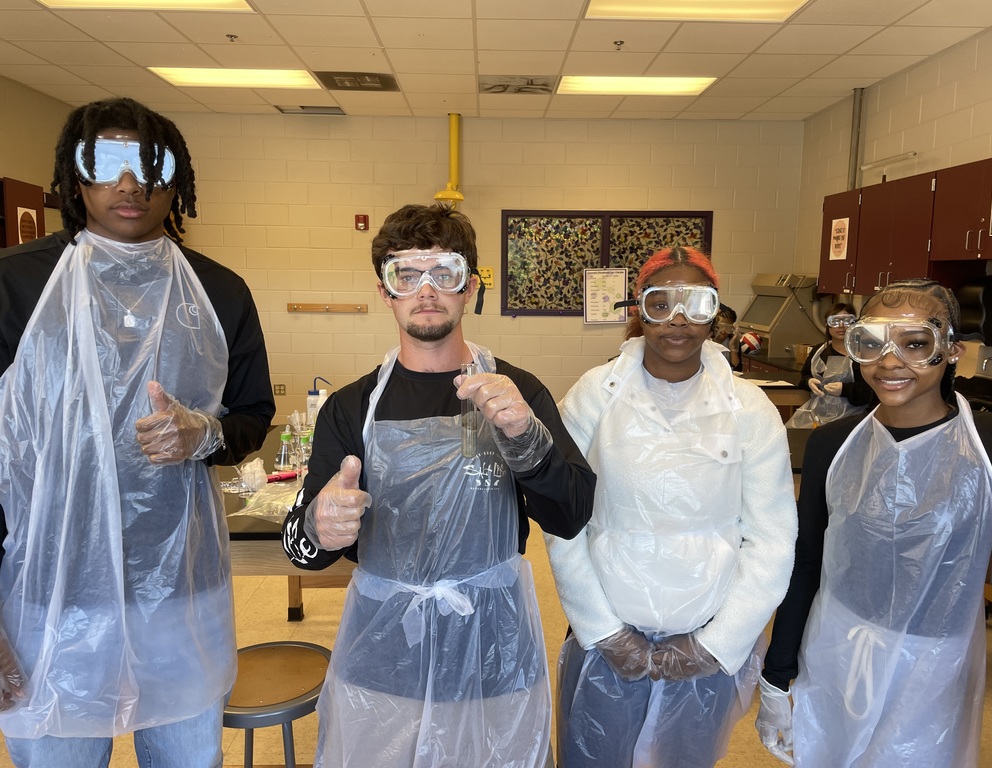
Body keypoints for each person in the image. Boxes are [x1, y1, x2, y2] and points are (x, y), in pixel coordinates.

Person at [0, 97, 275, 765]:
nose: (130, 184)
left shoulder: (220, 292)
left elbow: (252, 414)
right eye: (107, 164)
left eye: (151, 166)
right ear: (75, 177)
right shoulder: (14, 285)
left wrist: (204, 435)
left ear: (177, 182)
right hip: (50, 593)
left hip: (179, 589)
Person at [280, 202, 597, 768]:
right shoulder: (351, 408)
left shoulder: (516, 393)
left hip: (493, 650)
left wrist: (526, 440)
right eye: (405, 274)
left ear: (470, 287)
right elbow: (302, 551)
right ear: (386, 292)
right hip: (384, 658)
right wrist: (319, 527)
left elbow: (572, 514)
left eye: (444, 273)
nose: (425, 290)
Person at [545, 247, 798, 768]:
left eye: (695, 304)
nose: (678, 319)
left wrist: (717, 643)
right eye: (661, 303)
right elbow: (563, 520)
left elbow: (772, 538)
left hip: (704, 631)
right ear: (640, 309)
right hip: (607, 632)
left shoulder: (749, 408)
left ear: (715, 312)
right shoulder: (595, 395)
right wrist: (603, 630)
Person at [757, 278, 992, 767]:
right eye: (872, 343)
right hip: (836, 645)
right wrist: (776, 673)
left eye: (914, 343)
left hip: (934, 663)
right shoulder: (832, 444)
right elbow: (807, 560)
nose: (889, 361)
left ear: (952, 350)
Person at [786, 302, 871, 428]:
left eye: (846, 321)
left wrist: (845, 389)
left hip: (853, 419)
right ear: (827, 325)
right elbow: (804, 376)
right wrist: (808, 382)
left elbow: (870, 391)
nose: (841, 326)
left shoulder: (863, 353)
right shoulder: (819, 351)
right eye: (835, 321)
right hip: (818, 415)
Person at [713, 304, 743, 371]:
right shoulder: (706, 341)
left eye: (728, 328)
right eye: (720, 327)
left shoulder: (732, 341)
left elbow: (737, 370)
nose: (723, 331)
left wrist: (732, 348)